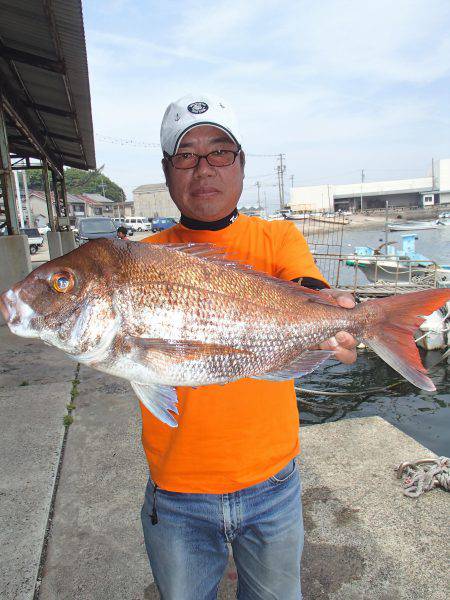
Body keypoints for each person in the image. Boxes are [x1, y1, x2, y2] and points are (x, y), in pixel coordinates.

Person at [140, 93, 357, 600]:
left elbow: (306, 291)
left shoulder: (278, 238)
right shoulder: (141, 259)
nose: (203, 169)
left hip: (273, 487)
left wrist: (333, 315)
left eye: (219, 152)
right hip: (176, 495)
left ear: (241, 164)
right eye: (185, 155)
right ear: (168, 171)